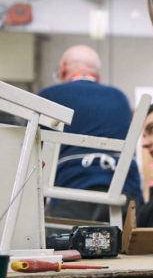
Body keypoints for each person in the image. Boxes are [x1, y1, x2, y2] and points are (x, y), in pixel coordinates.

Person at [38, 44, 143, 221]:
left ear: (63, 69)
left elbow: (29, 152)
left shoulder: (49, 96)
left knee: (65, 247)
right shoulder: (120, 97)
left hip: (70, 195)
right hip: (124, 196)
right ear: (97, 75)